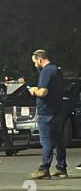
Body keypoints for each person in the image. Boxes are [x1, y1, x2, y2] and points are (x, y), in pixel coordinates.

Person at [28, 49, 67, 179]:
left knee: (46, 141)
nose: (35, 65)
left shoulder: (46, 71)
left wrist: (34, 90)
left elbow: (43, 92)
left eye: (35, 62)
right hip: (58, 111)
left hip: (46, 111)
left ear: (40, 59)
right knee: (58, 140)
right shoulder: (57, 70)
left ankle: (44, 169)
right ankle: (61, 168)